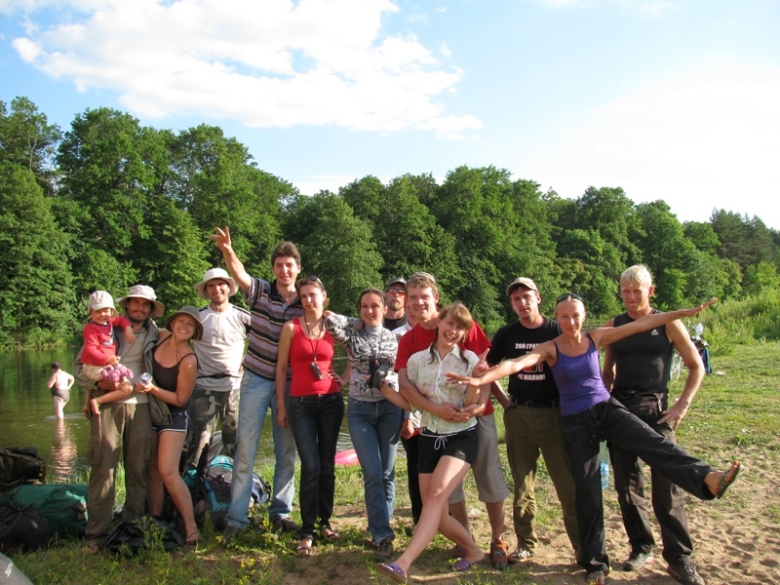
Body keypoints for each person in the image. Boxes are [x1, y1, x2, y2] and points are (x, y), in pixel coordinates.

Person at [447, 294, 742, 585]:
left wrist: (683, 313)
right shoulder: (550, 347)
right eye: (564, 317)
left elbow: (642, 324)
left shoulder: (595, 337)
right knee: (587, 492)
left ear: (584, 316)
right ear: (557, 318)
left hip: (606, 409)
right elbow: (516, 364)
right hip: (576, 423)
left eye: (576, 316)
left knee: (654, 442)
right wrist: (481, 379)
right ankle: (596, 565)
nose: (571, 322)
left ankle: (707, 478)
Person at [395, 272, 510, 570]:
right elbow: (405, 386)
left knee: (488, 476)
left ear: (436, 298)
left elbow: (485, 369)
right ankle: (465, 540)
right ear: (406, 302)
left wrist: (484, 403)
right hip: (438, 423)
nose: (419, 303)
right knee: (448, 489)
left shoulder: (458, 322)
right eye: (412, 297)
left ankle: (498, 540)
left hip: (477, 417)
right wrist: (435, 409)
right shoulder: (409, 341)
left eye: (424, 296)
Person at [602, 265, 709, 585]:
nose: (631, 296)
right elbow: (608, 371)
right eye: (625, 291)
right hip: (622, 411)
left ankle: (678, 558)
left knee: (668, 483)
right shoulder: (615, 325)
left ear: (650, 291)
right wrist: (602, 401)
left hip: (657, 411)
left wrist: (682, 405)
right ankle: (641, 546)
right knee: (627, 485)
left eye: (637, 291)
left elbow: (696, 366)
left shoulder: (668, 322)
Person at [377, 302, 487, 583]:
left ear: (464, 333)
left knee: (437, 495)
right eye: (450, 323)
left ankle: (403, 563)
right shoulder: (416, 361)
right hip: (428, 436)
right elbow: (412, 403)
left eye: (460, 328)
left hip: (461, 436)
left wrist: (475, 381)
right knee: (434, 510)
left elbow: (471, 404)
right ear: (439, 322)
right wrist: (385, 391)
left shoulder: (470, 360)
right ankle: (474, 551)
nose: (453, 330)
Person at [211, 227, 304, 539]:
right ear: (273, 269)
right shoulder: (261, 290)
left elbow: (323, 318)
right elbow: (239, 274)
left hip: (288, 384)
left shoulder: (304, 300)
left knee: (286, 452)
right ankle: (237, 519)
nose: (284, 270)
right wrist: (228, 250)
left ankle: (281, 513)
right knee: (245, 450)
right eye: (279, 265)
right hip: (255, 379)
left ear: (298, 268)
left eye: (289, 265)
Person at [487, 277, 581, 564]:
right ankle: (526, 543)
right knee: (522, 485)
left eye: (526, 296)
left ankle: (581, 547)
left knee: (567, 485)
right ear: (511, 303)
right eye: (516, 299)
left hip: (554, 414)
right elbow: (488, 368)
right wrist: (506, 403)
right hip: (520, 416)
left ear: (538, 298)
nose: (522, 303)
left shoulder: (556, 330)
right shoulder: (506, 334)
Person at [74, 284, 165, 554]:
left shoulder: (155, 334)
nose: (140, 308)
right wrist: (100, 385)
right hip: (108, 404)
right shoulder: (104, 328)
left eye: (145, 304)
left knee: (138, 468)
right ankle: (96, 535)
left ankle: (132, 529)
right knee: (104, 469)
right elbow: (79, 368)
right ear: (125, 305)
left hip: (142, 406)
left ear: (151, 309)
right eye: (135, 302)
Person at [324, 287, 403, 560]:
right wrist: (356, 322)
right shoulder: (352, 337)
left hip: (390, 409)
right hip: (360, 412)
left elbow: (401, 371)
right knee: (372, 473)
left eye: (375, 305)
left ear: (385, 308)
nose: (370, 311)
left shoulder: (395, 337)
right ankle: (382, 535)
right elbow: (329, 320)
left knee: (387, 473)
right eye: (365, 306)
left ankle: (381, 523)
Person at [276, 276, 344, 556]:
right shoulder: (291, 328)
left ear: (323, 296)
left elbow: (360, 347)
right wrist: (281, 406)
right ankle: (307, 530)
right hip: (300, 403)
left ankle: (325, 522)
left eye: (313, 295)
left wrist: (345, 377)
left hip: (331, 400)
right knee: (311, 465)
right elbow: (281, 368)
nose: (308, 300)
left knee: (327, 465)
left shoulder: (334, 325)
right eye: (303, 296)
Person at [138, 306, 202, 545]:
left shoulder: (189, 359)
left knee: (168, 471)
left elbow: (180, 399)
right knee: (152, 469)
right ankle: (155, 519)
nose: (184, 327)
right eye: (181, 321)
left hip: (174, 416)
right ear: (173, 323)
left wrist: (152, 389)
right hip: (151, 410)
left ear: (195, 331)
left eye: (190, 325)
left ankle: (191, 526)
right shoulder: (161, 336)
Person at [184, 268, 251, 470]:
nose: (216, 289)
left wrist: (246, 360)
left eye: (221, 284)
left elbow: (264, 340)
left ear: (228, 287)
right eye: (211, 286)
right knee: (198, 445)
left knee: (236, 445)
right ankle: (192, 485)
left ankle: (235, 486)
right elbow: (177, 341)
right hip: (203, 388)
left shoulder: (242, 317)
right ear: (206, 291)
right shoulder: (198, 318)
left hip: (234, 388)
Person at [81, 290, 137, 416]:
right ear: (90, 312)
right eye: (97, 311)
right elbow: (90, 350)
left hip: (106, 364)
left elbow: (121, 320)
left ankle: (93, 401)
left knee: (126, 385)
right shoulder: (91, 329)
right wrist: (108, 359)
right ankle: (93, 401)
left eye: (106, 311)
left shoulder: (109, 322)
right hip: (94, 366)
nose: (102, 314)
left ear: (111, 311)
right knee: (121, 384)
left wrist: (128, 329)